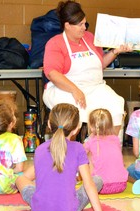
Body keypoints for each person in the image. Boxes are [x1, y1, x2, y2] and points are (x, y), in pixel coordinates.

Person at [42, 0, 132, 135]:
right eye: (80, 25)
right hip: (65, 89)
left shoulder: (89, 38)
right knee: (69, 115)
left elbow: (100, 64)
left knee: (116, 103)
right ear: (67, 25)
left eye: (85, 23)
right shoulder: (55, 43)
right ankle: (67, 150)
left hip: (95, 88)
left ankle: (107, 147)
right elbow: (52, 74)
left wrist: (115, 51)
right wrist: (75, 90)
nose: (85, 27)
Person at [15, 103, 104, 211]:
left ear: (49, 124)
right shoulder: (78, 148)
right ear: (77, 128)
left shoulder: (39, 149)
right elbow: (88, 184)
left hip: (40, 210)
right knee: (97, 180)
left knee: (19, 179)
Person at [83, 108, 128, 194]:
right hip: (122, 185)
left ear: (91, 127)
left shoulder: (92, 141)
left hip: (100, 187)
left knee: (88, 155)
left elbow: (79, 153)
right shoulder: (116, 139)